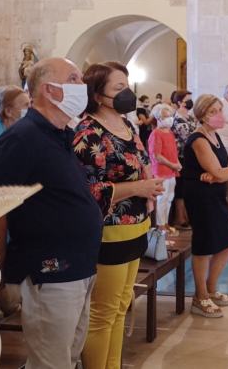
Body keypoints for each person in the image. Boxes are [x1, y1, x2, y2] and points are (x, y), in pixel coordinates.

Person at [0, 57, 103, 369]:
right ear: (51, 91)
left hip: (79, 266)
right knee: (51, 361)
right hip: (50, 270)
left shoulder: (58, 134)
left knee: (70, 355)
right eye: (74, 78)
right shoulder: (21, 139)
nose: (83, 85)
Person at [73, 62, 165, 369]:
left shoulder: (127, 126)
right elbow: (90, 189)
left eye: (126, 86)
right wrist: (139, 187)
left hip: (136, 228)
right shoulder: (89, 132)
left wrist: (149, 187)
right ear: (97, 95)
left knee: (122, 305)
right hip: (108, 231)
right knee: (103, 311)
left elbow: (141, 161)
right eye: (117, 88)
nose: (126, 93)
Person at [179, 94, 228, 317]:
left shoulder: (214, 135)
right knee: (204, 246)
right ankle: (200, 296)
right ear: (201, 115)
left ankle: (212, 288)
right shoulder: (198, 139)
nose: (218, 115)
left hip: (214, 193)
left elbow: (223, 168)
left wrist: (217, 176)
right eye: (212, 112)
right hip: (200, 197)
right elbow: (221, 172)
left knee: (227, 242)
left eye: (219, 110)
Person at [148, 103, 181, 235]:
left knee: (169, 198)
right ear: (158, 118)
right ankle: (160, 225)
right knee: (162, 199)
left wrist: (177, 162)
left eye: (170, 116)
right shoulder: (156, 134)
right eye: (166, 117)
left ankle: (166, 223)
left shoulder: (170, 133)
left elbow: (173, 151)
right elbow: (157, 156)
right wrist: (173, 165)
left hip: (172, 170)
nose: (169, 119)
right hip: (161, 171)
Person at [171, 89, 197, 229]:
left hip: (191, 156)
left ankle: (189, 215)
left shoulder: (190, 117)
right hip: (180, 156)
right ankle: (180, 218)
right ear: (180, 102)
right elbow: (188, 137)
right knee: (180, 188)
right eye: (187, 99)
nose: (190, 102)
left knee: (188, 188)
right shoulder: (177, 118)